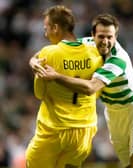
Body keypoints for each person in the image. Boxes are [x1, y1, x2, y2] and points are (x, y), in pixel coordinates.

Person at [31, 13, 133, 168]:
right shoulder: (86, 44)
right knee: (129, 164)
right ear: (92, 36)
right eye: (101, 36)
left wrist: (56, 76)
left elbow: (90, 88)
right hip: (113, 113)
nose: (105, 42)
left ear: (116, 37)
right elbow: (51, 51)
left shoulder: (118, 59)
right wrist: (33, 61)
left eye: (110, 37)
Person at [26, 5, 103, 168]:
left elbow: (39, 93)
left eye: (46, 28)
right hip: (84, 130)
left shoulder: (50, 53)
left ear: (55, 28)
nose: (45, 34)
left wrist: (34, 63)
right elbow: (97, 92)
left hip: (54, 131)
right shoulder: (94, 53)